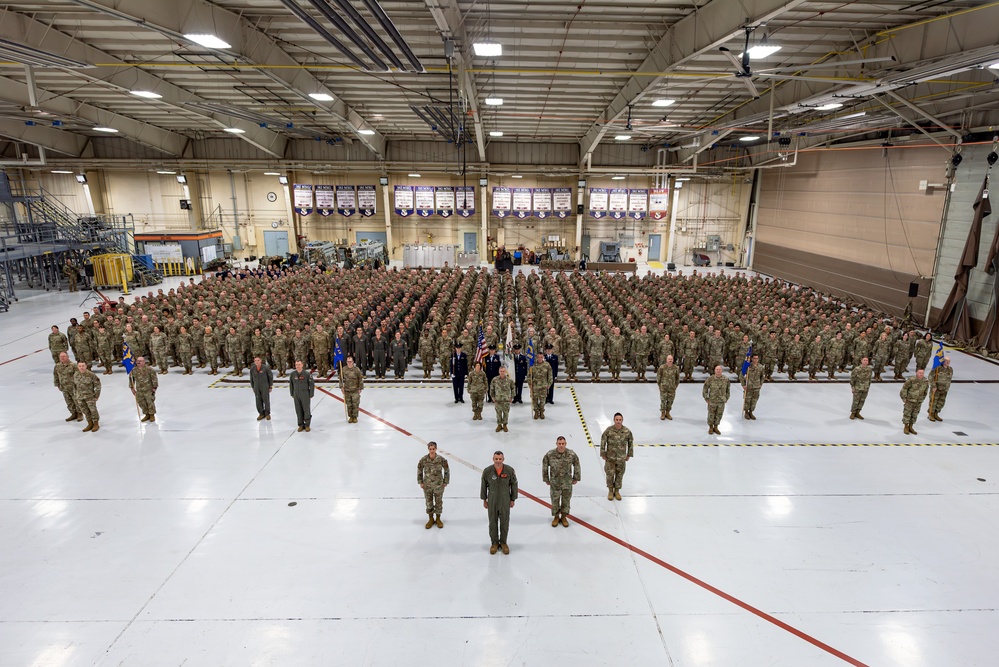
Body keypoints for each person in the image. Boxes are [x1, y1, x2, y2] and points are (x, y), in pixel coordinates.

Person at [481, 450, 518, 555]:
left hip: (505, 499)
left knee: (504, 521)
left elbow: (514, 485)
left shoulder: (509, 470)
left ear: (503, 459)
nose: (498, 461)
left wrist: (512, 499)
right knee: (492, 522)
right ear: (493, 459)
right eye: (496, 459)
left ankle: (503, 543)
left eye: (500, 459)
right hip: (492, 499)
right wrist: (484, 500)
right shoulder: (487, 471)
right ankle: (494, 543)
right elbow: (483, 486)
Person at [542, 436, 580, 527]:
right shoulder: (550, 454)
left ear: (565, 444)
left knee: (566, 500)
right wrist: (546, 479)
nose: (561, 445)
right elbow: (545, 466)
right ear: (556, 444)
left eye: (563, 444)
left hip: (567, 482)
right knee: (555, 500)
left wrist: (576, 477)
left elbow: (577, 464)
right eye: (559, 444)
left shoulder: (571, 454)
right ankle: (556, 516)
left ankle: (563, 516)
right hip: (555, 482)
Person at [600, 413, 633, 501]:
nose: (618, 421)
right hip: (610, 458)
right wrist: (603, 453)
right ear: (614, 420)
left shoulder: (627, 431)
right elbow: (603, 441)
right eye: (617, 420)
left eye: (620, 420)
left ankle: (617, 491)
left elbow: (630, 443)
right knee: (610, 475)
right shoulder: (609, 430)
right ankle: (610, 491)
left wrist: (629, 454)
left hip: (621, 458)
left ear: (622, 420)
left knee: (619, 475)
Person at [417, 441, 450, 529]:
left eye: (433, 449)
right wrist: (420, 482)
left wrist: (445, 482)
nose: (432, 451)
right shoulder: (423, 460)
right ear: (428, 449)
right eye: (430, 449)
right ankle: (431, 519)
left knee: (438, 502)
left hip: (438, 486)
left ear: (436, 449)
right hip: (427, 486)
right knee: (429, 503)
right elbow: (419, 471)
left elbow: (447, 470)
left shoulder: (441, 460)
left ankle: (438, 519)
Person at [74, 360, 102, 432]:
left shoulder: (91, 375)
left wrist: (96, 395)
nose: (81, 368)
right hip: (80, 397)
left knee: (93, 410)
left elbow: (98, 385)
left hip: (90, 397)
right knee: (85, 410)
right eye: (80, 366)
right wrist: (76, 395)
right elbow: (75, 386)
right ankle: (90, 423)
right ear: (78, 367)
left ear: (86, 366)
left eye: (83, 366)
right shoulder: (76, 375)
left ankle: (96, 423)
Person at [900, 368, 930, 435]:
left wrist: (922, 399)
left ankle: (911, 426)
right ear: (916, 373)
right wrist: (904, 398)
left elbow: (925, 391)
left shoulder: (925, 381)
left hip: (918, 402)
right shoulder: (911, 380)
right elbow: (904, 389)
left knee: (915, 414)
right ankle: (906, 427)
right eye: (920, 373)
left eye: (922, 373)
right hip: (910, 400)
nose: (921, 374)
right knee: (907, 413)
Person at [702, 364, 730, 435]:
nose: (718, 371)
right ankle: (711, 427)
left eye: (719, 370)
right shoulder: (710, 379)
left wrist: (726, 398)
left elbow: (728, 390)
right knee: (711, 414)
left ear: (722, 371)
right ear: (714, 371)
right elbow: (705, 388)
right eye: (717, 370)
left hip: (721, 401)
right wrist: (706, 397)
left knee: (719, 414)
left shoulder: (726, 379)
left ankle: (716, 427)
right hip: (712, 400)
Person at [129, 356, 158, 422]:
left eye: (140, 361)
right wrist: (132, 388)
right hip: (139, 390)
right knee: (141, 403)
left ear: (144, 362)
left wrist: (154, 388)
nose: (139, 362)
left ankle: (152, 415)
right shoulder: (134, 370)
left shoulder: (149, 369)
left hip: (148, 389)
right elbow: (131, 380)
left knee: (150, 402)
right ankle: (147, 414)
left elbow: (154, 379)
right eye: (138, 361)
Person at [53, 352, 80, 422]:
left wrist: (78, 385)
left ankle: (80, 413)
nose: (62, 358)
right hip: (64, 387)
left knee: (76, 400)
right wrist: (57, 384)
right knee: (68, 401)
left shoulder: (73, 365)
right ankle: (73, 413)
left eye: (64, 356)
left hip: (73, 387)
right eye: (61, 357)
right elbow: (56, 375)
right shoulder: (57, 366)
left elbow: (78, 376)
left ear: (67, 357)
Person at [289, 360, 315, 432]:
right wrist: (292, 393)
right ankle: (300, 424)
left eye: (299, 364)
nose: (298, 366)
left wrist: (311, 394)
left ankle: (307, 425)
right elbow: (291, 384)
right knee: (298, 409)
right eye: (296, 365)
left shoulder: (307, 374)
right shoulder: (293, 374)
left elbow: (311, 384)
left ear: (302, 365)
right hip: (296, 394)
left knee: (306, 409)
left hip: (305, 394)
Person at [527, 354, 553, 419]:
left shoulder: (547, 365)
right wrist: (529, 383)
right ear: (536, 357)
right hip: (535, 386)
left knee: (542, 400)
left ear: (543, 357)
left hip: (543, 386)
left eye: (541, 357)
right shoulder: (532, 365)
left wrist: (549, 384)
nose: (540, 358)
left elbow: (550, 375)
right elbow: (529, 375)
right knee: (534, 400)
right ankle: (536, 412)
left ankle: (541, 412)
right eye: (538, 357)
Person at [490, 366, 514, 432]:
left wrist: (512, 397)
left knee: (506, 413)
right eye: (501, 371)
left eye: (503, 371)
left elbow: (513, 388)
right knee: (498, 413)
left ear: (505, 372)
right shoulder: (494, 380)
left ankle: (505, 425)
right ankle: (499, 425)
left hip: (506, 400)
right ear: (499, 371)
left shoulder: (509, 380)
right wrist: (492, 397)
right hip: (498, 400)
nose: (502, 373)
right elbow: (492, 389)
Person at [928, 357, 953, 422]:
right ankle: (931, 414)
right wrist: (933, 386)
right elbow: (930, 377)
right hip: (936, 389)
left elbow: (949, 379)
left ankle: (936, 413)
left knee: (941, 403)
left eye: (949, 361)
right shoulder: (937, 368)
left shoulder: (950, 369)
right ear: (943, 361)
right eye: (946, 361)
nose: (947, 362)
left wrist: (947, 387)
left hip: (944, 390)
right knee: (933, 402)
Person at [249, 355, 274, 421]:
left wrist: (270, 386)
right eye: (255, 361)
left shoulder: (266, 368)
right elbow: (251, 379)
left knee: (266, 400)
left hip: (264, 386)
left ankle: (267, 413)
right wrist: (253, 387)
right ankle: (261, 413)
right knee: (258, 400)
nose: (256, 362)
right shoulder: (252, 369)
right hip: (256, 386)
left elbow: (270, 377)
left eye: (258, 360)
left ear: (261, 361)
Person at [656, 354, 680, 420]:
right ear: (666, 360)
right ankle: (663, 413)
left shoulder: (676, 368)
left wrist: (676, 386)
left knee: (670, 401)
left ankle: (668, 412)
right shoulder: (662, 367)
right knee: (663, 400)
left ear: (673, 360)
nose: (670, 360)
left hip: (672, 388)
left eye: (671, 359)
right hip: (663, 387)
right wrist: (659, 385)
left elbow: (677, 378)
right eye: (669, 359)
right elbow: (658, 377)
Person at [740, 354, 764, 420]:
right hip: (749, 386)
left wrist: (760, 384)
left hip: (756, 387)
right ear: (752, 359)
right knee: (747, 400)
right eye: (754, 358)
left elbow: (762, 376)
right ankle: (746, 412)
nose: (755, 360)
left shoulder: (760, 367)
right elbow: (741, 375)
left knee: (754, 400)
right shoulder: (748, 366)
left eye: (757, 358)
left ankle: (751, 412)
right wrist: (743, 384)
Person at [341, 355, 364, 423]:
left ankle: (355, 417)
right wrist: (341, 387)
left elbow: (360, 379)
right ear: (346, 362)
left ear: (353, 362)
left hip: (355, 390)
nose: (349, 363)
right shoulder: (344, 369)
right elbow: (341, 379)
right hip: (347, 390)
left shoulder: (356, 369)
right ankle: (350, 417)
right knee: (349, 404)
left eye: (350, 361)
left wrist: (360, 388)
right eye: (348, 361)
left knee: (355, 404)